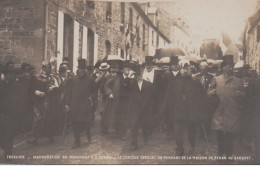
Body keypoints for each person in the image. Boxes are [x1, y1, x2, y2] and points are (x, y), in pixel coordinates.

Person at [160, 58, 206, 156]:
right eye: (183, 69)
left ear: (191, 70)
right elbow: (168, 99)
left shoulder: (196, 84)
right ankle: (179, 148)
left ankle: (192, 145)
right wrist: (166, 111)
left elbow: (201, 99)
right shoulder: (173, 84)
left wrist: (200, 112)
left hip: (191, 112)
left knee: (192, 131)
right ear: (180, 70)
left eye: (187, 69)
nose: (185, 71)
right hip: (178, 112)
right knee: (178, 131)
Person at [208, 55, 245, 160]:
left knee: (230, 135)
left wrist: (241, 95)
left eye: (231, 66)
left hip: (232, 113)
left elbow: (244, 97)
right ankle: (220, 153)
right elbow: (208, 93)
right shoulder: (216, 80)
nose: (231, 68)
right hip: (219, 113)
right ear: (223, 67)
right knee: (219, 134)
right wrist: (212, 92)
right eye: (228, 66)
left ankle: (229, 155)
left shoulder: (238, 81)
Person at [65, 59, 96, 148]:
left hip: (85, 105)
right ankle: (77, 141)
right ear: (78, 69)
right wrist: (67, 104)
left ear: (85, 69)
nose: (82, 71)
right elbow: (68, 92)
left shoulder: (90, 79)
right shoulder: (73, 79)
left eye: (83, 69)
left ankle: (88, 134)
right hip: (75, 105)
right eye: (80, 69)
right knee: (75, 123)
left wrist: (90, 99)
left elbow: (94, 91)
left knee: (86, 123)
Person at [126, 65, 153, 150]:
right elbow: (126, 91)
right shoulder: (131, 83)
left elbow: (150, 97)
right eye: (137, 74)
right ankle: (134, 144)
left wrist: (146, 106)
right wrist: (128, 78)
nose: (139, 76)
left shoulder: (148, 84)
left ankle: (145, 140)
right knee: (134, 127)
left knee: (145, 126)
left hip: (145, 109)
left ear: (142, 73)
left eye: (140, 73)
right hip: (134, 109)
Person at [142, 56, 166, 136]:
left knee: (151, 113)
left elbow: (161, 87)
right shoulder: (142, 73)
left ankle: (150, 129)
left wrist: (151, 85)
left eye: (149, 65)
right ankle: (144, 128)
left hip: (153, 97)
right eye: (146, 65)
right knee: (144, 113)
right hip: (143, 97)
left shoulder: (157, 75)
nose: (148, 67)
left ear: (152, 65)